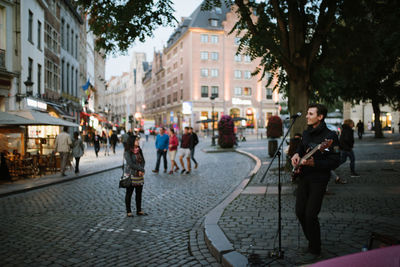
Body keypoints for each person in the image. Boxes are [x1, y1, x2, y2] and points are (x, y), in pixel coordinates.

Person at [291, 104, 340, 263]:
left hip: (319, 180)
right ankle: (312, 240)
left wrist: (316, 164)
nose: (307, 116)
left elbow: (335, 160)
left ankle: (315, 248)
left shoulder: (330, 136)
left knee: (311, 214)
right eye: (307, 113)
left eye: (310, 113)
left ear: (320, 117)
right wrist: (296, 155)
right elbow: (300, 148)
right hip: (304, 177)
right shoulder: (306, 133)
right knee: (300, 212)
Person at [124, 135, 147, 217]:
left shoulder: (139, 150)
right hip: (131, 175)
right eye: (136, 140)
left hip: (139, 176)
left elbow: (143, 161)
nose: (138, 141)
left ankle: (139, 210)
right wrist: (140, 169)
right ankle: (128, 211)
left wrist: (141, 169)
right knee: (129, 193)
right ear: (132, 141)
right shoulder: (127, 152)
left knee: (139, 193)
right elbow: (130, 164)